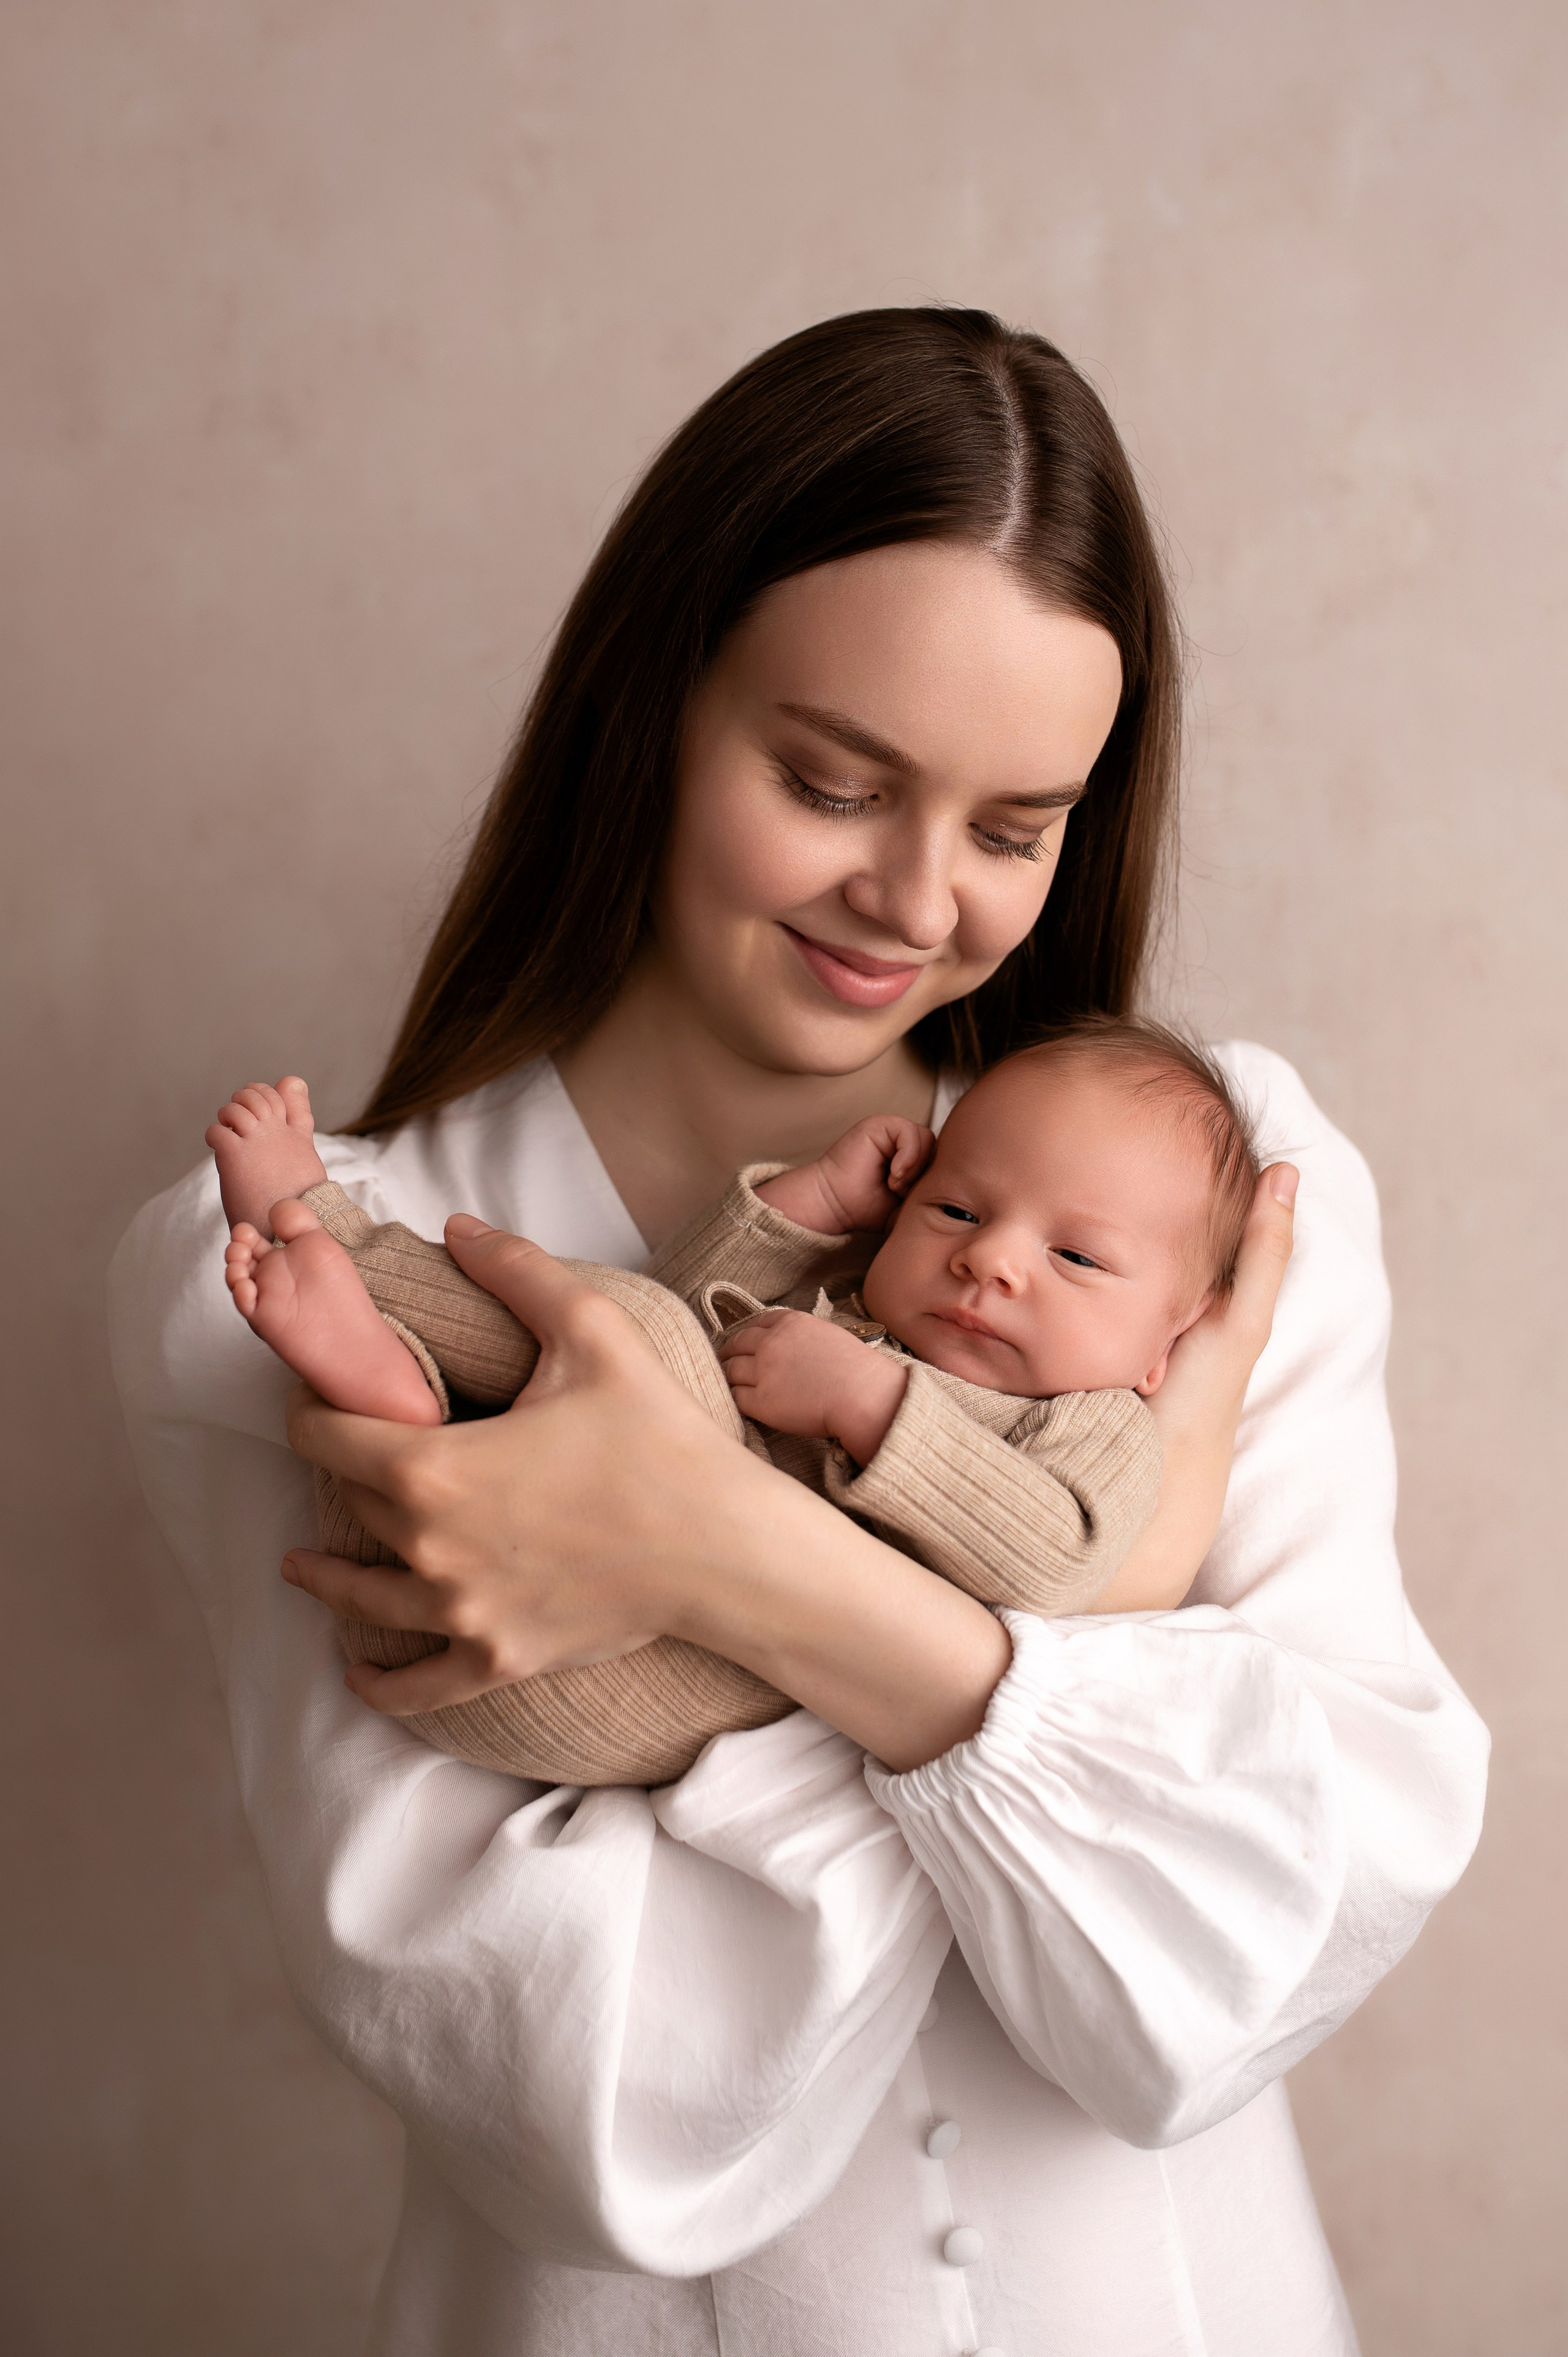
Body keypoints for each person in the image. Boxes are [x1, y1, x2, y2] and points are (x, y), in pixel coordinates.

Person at [109, 308, 1488, 2357]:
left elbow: (1261, 1935)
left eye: (1017, 828)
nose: (919, 900)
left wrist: (717, 1552)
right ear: (649, 708)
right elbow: (582, 2100)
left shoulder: (1213, 1189)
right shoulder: (268, 1266)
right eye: (834, 781)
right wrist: (1084, 1614)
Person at [202, 1018, 1259, 1786]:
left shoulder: (1091, 1424)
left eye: (1075, 1255)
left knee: (637, 1338)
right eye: (956, 1206)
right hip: (422, 1566)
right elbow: (679, 1301)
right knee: (624, 1336)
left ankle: (325, 1232)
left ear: (1163, 1352)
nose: (989, 1258)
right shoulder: (850, 1305)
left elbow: (1057, 1558)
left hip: (636, 1675)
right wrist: (806, 1211)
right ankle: (384, 1390)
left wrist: (877, 1405)